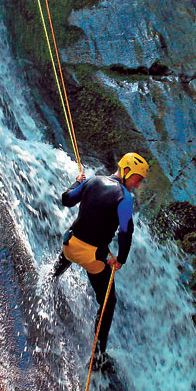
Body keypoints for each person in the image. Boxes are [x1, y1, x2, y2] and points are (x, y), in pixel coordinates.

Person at [52, 152, 149, 369]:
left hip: (69, 246)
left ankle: (49, 279)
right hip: (92, 257)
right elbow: (125, 233)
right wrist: (121, 260)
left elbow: (66, 199)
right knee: (108, 302)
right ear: (125, 171)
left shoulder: (92, 181)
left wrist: (77, 183)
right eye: (137, 179)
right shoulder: (124, 198)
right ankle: (97, 357)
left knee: (74, 249)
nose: (137, 185)